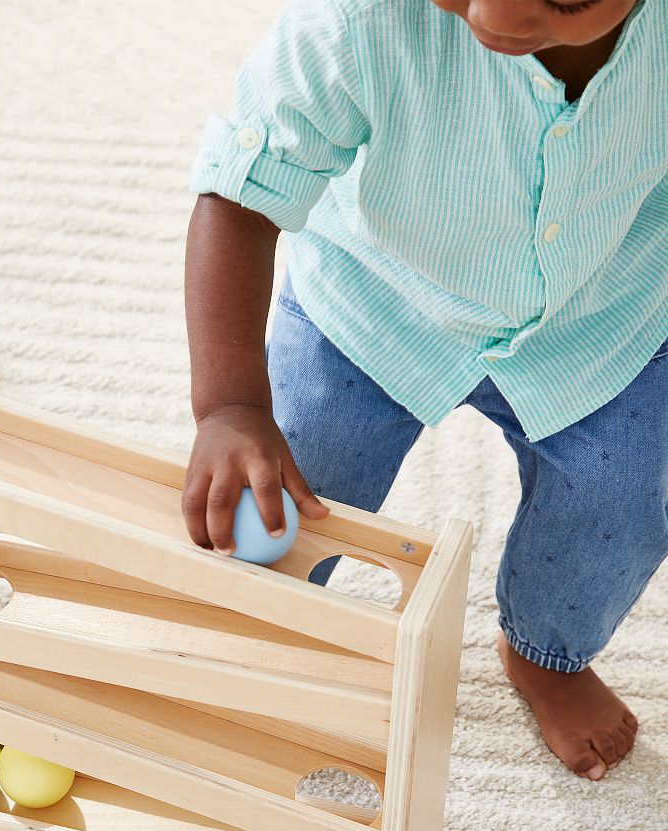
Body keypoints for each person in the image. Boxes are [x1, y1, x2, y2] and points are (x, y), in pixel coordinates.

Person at [182, 0, 666, 780]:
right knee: (274, 493)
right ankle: (277, 632)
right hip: (374, 302)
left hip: (603, 317)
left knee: (622, 505)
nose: (498, 17)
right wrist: (231, 405)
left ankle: (548, 656)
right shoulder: (359, 19)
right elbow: (240, 194)